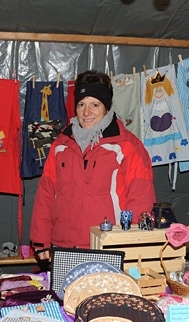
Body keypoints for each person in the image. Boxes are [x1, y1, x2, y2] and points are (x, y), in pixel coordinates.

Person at [30, 70, 156, 258]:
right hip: (63, 247)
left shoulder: (127, 145)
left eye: (95, 105)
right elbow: (46, 194)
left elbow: (141, 199)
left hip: (109, 246)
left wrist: (132, 244)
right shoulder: (61, 145)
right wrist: (41, 240)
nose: (86, 112)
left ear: (106, 107)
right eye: (81, 104)